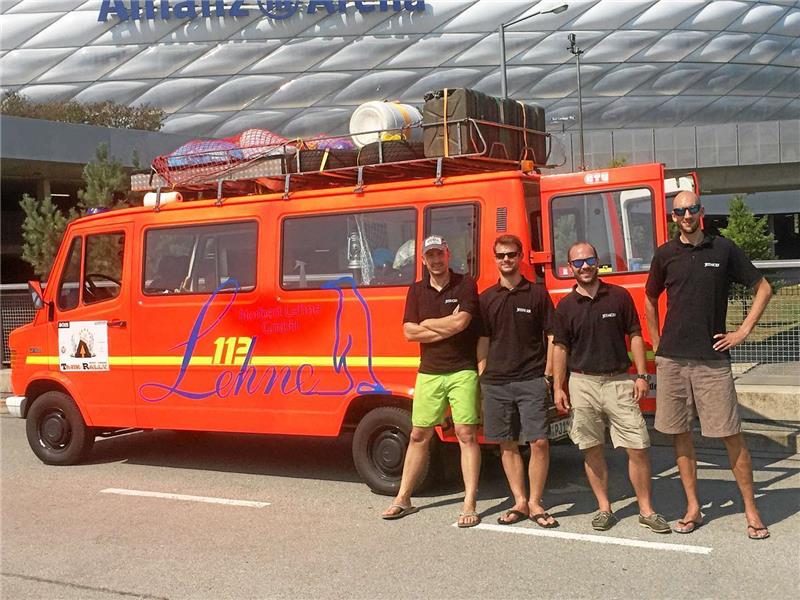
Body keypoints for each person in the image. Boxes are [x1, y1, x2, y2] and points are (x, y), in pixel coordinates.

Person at [645, 190, 773, 540]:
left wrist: (743, 331)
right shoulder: (665, 254)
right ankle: (692, 507)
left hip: (713, 361)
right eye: (680, 211)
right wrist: (657, 345)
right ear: (673, 217)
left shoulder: (723, 248)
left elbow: (763, 288)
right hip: (673, 361)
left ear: (701, 212)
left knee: (732, 435)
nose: (687, 215)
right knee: (680, 435)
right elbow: (650, 298)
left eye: (692, 209)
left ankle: (751, 508)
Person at [553, 241, 670, 534]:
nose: (584, 267)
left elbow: (634, 336)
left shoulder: (618, 297)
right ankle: (604, 508)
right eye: (577, 263)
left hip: (619, 382)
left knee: (638, 446)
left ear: (597, 261)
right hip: (582, 383)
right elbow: (560, 349)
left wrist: (642, 375)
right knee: (591, 449)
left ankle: (646, 510)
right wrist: (558, 386)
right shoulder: (565, 307)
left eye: (589, 260)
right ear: (570, 268)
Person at [382, 235, 483, 527]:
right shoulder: (416, 291)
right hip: (428, 371)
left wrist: (427, 325)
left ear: (448, 255)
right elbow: (409, 333)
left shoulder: (465, 283)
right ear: (423, 260)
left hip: (462, 370)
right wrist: (444, 326)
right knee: (417, 436)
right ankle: (403, 499)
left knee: (466, 435)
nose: (436, 260)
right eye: (430, 256)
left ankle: (469, 502)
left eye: (440, 254)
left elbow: (462, 322)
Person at [477, 234, 558, 527]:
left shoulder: (537, 293)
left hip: (531, 379)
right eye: (501, 255)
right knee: (506, 444)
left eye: (511, 254)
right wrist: (481, 375)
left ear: (521, 256)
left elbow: (552, 335)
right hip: (496, 382)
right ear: (494, 258)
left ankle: (536, 502)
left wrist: (548, 375)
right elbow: (483, 340)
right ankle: (520, 501)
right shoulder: (485, 298)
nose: (506, 260)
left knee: (539, 442)